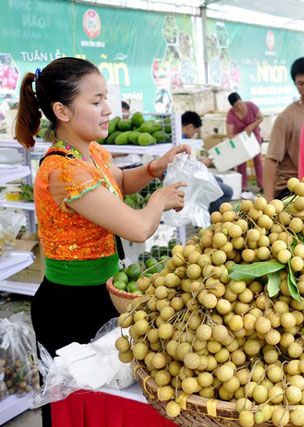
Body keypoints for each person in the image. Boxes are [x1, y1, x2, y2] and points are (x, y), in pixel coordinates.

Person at [15, 58, 188, 427]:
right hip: (70, 309)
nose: (108, 108)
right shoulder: (63, 171)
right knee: (78, 408)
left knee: (109, 401)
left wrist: (154, 169)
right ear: (61, 111)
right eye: (95, 102)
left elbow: (120, 183)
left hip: (102, 296)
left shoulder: (89, 154)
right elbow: (138, 229)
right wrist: (159, 200)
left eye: (106, 97)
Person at [264, 57, 304, 201]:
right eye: (301, 84)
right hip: (292, 190)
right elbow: (271, 159)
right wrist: (269, 201)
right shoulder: (286, 118)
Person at [181, 111, 233, 213]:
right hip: (189, 181)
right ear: (190, 127)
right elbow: (184, 170)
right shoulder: (180, 141)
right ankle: (210, 216)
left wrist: (198, 161)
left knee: (219, 180)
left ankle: (210, 209)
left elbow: (186, 163)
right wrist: (201, 164)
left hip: (193, 176)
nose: (194, 134)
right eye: (195, 131)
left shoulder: (182, 138)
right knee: (228, 192)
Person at [225, 92, 263, 191]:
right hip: (240, 138)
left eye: (240, 103)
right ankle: (243, 186)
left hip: (253, 135)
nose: (239, 107)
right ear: (232, 106)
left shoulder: (251, 106)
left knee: (257, 159)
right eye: (236, 106)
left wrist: (251, 126)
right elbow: (230, 134)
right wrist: (240, 137)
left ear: (242, 100)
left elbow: (260, 118)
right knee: (241, 161)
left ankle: (262, 184)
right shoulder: (231, 114)